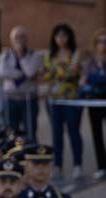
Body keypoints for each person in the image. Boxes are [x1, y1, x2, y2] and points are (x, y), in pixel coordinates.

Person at [41, 24, 83, 180]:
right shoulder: (49, 55)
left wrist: (56, 71)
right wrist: (59, 70)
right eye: (58, 36)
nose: (61, 39)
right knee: (56, 134)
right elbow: (44, 75)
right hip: (53, 100)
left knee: (73, 132)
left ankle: (78, 165)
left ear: (69, 37)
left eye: (64, 35)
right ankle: (57, 166)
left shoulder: (75, 53)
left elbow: (72, 73)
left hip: (71, 99)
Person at [80, 29, 106, 179]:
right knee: (96, 133)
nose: (102, 44)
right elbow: (85, 77)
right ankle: (102, 166)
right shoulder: (90, 60)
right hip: (94, 99)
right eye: (99, 41)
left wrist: (95, 78)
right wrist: (97, 78)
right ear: (95, 43)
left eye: (105, 41)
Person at [0, 25, 42, 137]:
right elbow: (3, 72)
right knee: (11, 133)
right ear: (11, 40)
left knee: (30, 131)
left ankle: (30, 154)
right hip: (10, 99)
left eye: (22, 36)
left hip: (28, 99)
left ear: (26, 39)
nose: (19, 39)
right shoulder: (5, 55)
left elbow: (30, 72)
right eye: (16, 37)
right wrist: (21, 74)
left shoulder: (34, 55)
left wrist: (21, 56)